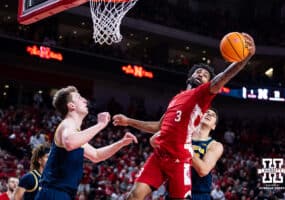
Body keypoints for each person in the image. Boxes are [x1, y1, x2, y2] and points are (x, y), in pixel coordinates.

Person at [113, 33, 255, 199]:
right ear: (190, 76)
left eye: (205, 75)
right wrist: (128, 121)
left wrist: (245, 58)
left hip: (179, 160)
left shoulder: (201, 95)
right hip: (159, 156)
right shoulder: (176, 98)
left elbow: (224, 77)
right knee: (134, 195)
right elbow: (159, 126)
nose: (201, 74)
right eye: (198, 72)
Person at [34, 86, 138, 200]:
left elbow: (96, 155)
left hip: (60, 194)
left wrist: (121, 143)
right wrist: (100, 125)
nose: (85, 100)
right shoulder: (68, 123)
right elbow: (69, 142)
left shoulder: (74, 132)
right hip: (54, 193)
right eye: (79, 98)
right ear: (71, 106)